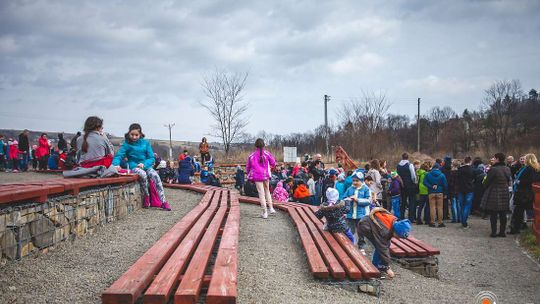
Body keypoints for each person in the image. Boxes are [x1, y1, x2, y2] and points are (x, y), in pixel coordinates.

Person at [113, 123, 171, 211]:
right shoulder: (126, 144)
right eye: (132, 134)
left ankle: (163, 201)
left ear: (140, 134)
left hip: (146, 165)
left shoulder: (145, 143)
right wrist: (116, 164)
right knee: (143, 175)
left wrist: (144, 164)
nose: (134, 137)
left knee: (156, 176)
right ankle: (146, 197)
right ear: (129, 134)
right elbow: (118, 156)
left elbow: (151, 157)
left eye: (136, 135)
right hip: (134, 166)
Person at [356, 207, 412, 278]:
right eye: (398, 236)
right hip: (365, 226)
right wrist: (388, 267)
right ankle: (376, 267)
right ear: (395, 231)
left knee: (384, 244)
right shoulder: (385, 231)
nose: (398, 238)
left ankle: (379, 265)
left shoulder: (394, 220)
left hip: (369, 222)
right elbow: (383, 248)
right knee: (380, 246)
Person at [481, 152, 511, 237]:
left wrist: (485, 183)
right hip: (505, 192)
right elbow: (508, 180)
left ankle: (494, 232)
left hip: (494, 193)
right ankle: (502, 232)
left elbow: (486, 182)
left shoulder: (493, 169)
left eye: (494, 158)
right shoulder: (507, 169)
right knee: (503, 213)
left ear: (497, 159)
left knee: (493, 214)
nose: (493, 160)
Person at [246, 138, 276, 219]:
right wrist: (270, 167)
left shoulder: (251, 156)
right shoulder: (267, 153)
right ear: (264, 145)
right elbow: (273, 162)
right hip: (266, 175)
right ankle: (271, 208)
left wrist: (249, 174)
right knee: (267, 191)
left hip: (256, 176)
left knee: (261, 193)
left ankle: (265, 212)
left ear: (255, 145)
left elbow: (248, 167)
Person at [509, 154, 540, 234]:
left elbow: (531, 181)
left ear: (528, 159)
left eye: (525, 158)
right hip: (526, 192)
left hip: (523, 193)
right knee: (519, 211)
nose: (524, 160)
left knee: (518, 211)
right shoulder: (535, 168)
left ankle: (515, 229)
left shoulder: (529, 169)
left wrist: (519, 181)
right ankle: (516, 228)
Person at [344, 172, 371, 249]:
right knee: (349, 231)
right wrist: (348, 200)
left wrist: (357, 200)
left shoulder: (366, 189)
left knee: (361, 232)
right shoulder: (350, 189)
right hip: (350, 215)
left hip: (361, 215)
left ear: (361, 181)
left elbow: (369, 201)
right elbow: (344, 197)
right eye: (353, 180)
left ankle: (361, 246)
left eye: (357, 181)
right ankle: (350, 245)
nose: (355, 182)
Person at [423, 163, 448, 228]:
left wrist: (431, 186)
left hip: (431, 193)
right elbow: (445, 185)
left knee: (432, 208)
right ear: (438, 168)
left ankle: (432, 222)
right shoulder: (442, 175)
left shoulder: (428, 174)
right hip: (440, 192)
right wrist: (445, 193)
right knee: (440, 208)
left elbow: (424, 182)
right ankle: (440, 222)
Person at [396, 153, 417, 222]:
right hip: (410, 185)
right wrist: (414, 182)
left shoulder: (398, 166)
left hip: (402, 185)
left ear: (402, 157)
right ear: (408, 158)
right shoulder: (410, 165)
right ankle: (411, 217)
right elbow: (413, 176)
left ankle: (402, 216)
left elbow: (398, 175)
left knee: (403, 201)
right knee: (412, 201)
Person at [457, 157, 475, 229]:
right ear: (470, 161)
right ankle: (464, 222)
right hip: (469, 189)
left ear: (464, 161)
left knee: (462, 205)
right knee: (467, 206)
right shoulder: (472, 169)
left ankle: (463, 221)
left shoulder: (460, 169)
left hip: (461, 189)